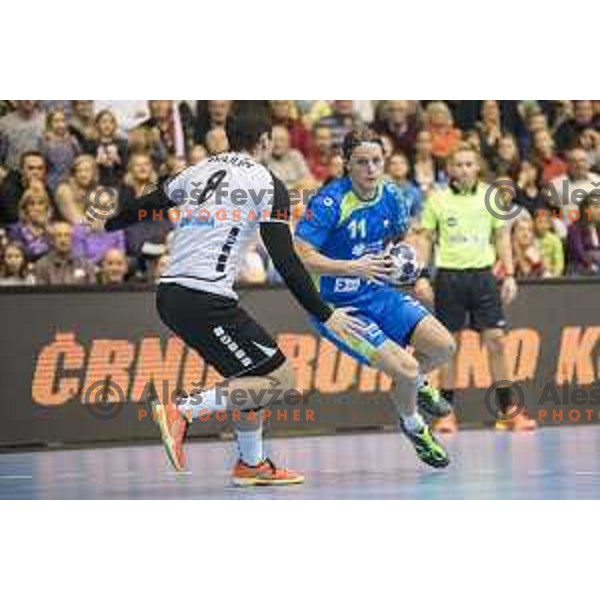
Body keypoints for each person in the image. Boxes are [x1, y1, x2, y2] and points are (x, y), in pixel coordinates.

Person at [105, 112, 360, 486]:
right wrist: (324, 313)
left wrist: (109, 224)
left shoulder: (198, 170)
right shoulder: (267, 183)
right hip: (203, 296)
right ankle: (181, 410)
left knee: (251, 377)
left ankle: (252, 463)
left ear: (228, 137)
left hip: (172, 292)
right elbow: (286, 262)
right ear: (264, 142)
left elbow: (148, 204)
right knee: (281, 378)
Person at [294, 127, 455, 469]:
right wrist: (352, 266)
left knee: (444, 347)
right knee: (408, 369)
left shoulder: (393, 195)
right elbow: (301, 254)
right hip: (337, 308)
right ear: (346, 164)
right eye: (361, 162)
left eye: (376, 161)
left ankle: (413, 384)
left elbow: (401, 236)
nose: (370, 169)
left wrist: (411, 269)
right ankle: (414, 425)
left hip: (377, 290)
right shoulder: (330, 201)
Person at [416, 143, 538, 433]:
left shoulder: (491, 196)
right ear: (450, 169)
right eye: (458, 164)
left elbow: (502, 237)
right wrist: (421, 275)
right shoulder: (437, 199)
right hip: (449, 278)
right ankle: (446, 414)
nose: (464, 169)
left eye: (469, 164)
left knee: (496, 341)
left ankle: (509, 411)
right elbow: (425, 240)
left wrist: (509, 274)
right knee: (448, 348)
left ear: (477, 167)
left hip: (483, 278)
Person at [39, 108, 82, 191]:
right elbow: (42, 162)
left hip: (71, 181)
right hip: (52, 182)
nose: (60, 124)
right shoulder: (45, 141)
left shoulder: (72, 140)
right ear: (50, 124)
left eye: (63, 121)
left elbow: (79, 159)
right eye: (56, 121)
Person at [8, 184, 53, 262]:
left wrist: (46, 227)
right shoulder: (16, 230)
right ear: (25, 208)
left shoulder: (55, 229)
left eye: (41, 203)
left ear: (47, 206)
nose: (36, 208)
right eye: (31, 204)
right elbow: (19, 256)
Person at [533, 210, 564, 277]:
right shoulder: (530, 239)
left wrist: (554, 277)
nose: (543, 225)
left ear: (549, 224)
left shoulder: (555, 240)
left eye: (545, 222)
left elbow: (559, 264)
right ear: (534, 223)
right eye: (540, 222)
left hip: (550, 275)